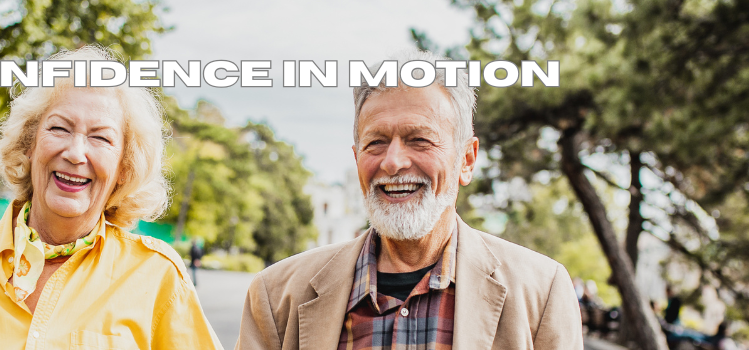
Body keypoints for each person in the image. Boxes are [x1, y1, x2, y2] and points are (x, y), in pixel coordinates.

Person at [234, 50, 583, 350]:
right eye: (376, 142)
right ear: (357, 158)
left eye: (419, 139)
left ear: (467, 160)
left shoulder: (541, 292)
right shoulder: (277, 296)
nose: (393, 162)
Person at [0, 45, 222, 349]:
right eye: (59, 128)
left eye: (101, 138)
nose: (76, 153)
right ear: (29, 145)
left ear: (124, 166)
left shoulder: (157, 276)